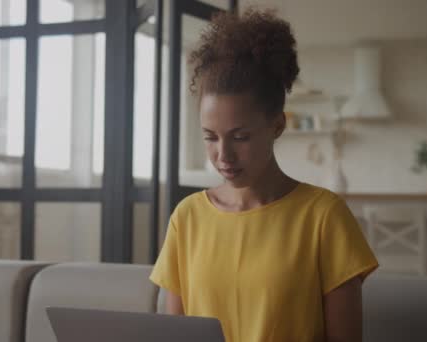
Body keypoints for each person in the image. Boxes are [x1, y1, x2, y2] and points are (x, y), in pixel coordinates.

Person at [149, 8, 378, 342]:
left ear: (277, 125)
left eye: (240, 137)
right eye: (210, 137)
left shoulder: (323, 217)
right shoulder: (187, 218)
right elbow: (176, 336)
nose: (223, 155)